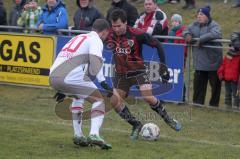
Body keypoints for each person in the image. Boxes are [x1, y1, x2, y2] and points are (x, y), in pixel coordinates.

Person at [106, 9, 182, 140]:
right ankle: (136, 125)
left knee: (147, 96)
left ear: (125, 23)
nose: (116, 29)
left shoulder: (137, 34)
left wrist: (163, 68)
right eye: (114, 26)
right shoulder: (110, 35)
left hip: (138, 71)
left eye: (119, 26)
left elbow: (157, 44)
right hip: (121, 74)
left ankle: (168, 119)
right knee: (115, 101)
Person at [49, 19, 112, 149]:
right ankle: (94, 134)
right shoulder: (96, 40)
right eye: (107, 33)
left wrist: (62, 88)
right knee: (99, 100)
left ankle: (78, 135)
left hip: (53, 75)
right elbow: (96, 60)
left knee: (78, 97)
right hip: (69, 75)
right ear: (105, 31)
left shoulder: (79, 37)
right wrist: (103, 82)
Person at [183, 6, 223, 107]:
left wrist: (200, 39)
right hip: (199, 62)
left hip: (213, 61)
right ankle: (197, 104)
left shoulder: (214, 25)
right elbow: (186, 30)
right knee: (199, 85)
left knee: (215, 86)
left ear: (207, 16)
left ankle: (213, 105)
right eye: (198, 14)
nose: (199, 16)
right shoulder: (194, 25)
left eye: (201, 14)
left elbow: (215, 34)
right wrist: (187, 35)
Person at [217, 32, 240, 109]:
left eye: (233, 46)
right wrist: (220, 73)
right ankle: (228, 105)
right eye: (230, 46)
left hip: (235, 79)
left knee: (236, 93)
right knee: (227, 93)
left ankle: (236, 106)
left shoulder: (238, 56)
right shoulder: (228, 55)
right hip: (226, 78)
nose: (231, 47)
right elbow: (223, 65)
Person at [168, 13, 187, 102]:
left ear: (180, 22)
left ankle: (182, 97)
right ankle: (172, 95)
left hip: (180, 56)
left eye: (176, 21)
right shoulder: (171, 32)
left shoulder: (183, 31)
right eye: (173, 21)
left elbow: (182, 43)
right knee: (172, 75)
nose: (174, 23)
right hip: (171, 55)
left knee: (179, 76)